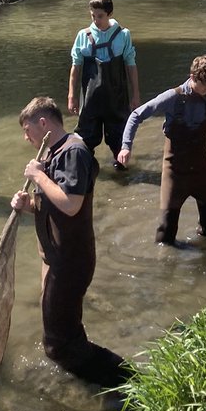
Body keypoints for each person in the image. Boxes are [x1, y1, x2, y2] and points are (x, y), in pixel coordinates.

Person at [11, 97, 132, 390]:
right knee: (61, 332)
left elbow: (71, 204)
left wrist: (38, 174)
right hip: (57, 258)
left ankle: (125, 382)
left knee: (60, 344)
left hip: (70, 261)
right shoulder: (54, 153)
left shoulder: (74, 152)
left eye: (28, 130)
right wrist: (29, 205)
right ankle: (108, 380)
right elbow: (55, 204)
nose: (26, 138)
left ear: (44, 123)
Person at [117, 54, 206, 246]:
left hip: (201, 169)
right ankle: (165, 267)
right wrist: (126, 146)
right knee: (166, 233)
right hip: (175, 171)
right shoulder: (173, 97)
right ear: (192, 76)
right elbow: (136, 115)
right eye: (203, 85)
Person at [68, 0, 140, 169]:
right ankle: (84, 172)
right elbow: (75, 68)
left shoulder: (123, 35)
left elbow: (131, 65)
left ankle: (123, 174)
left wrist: (136, 95)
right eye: (93, 16)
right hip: (90, 99)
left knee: (119, 138)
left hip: (116, 98)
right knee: (85, 139)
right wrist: (72, 95)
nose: (96, 20)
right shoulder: (82, 36)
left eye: (100, 16)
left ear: (109, 14)